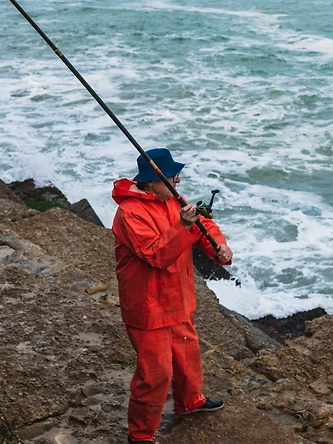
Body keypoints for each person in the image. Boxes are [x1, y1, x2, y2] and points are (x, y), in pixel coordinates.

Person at [111, 148, 233, 444]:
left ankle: (190, 401)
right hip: (148, 308)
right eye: (171, 177)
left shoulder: (170, 200)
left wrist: (219, 247)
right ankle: (139, 435)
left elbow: (205, 227)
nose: (177, 182)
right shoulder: (130, 213)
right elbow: (155, 254)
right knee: (155, 375)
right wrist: (184, 226)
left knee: (188, 355)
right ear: (151, 182)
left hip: (179, 301)